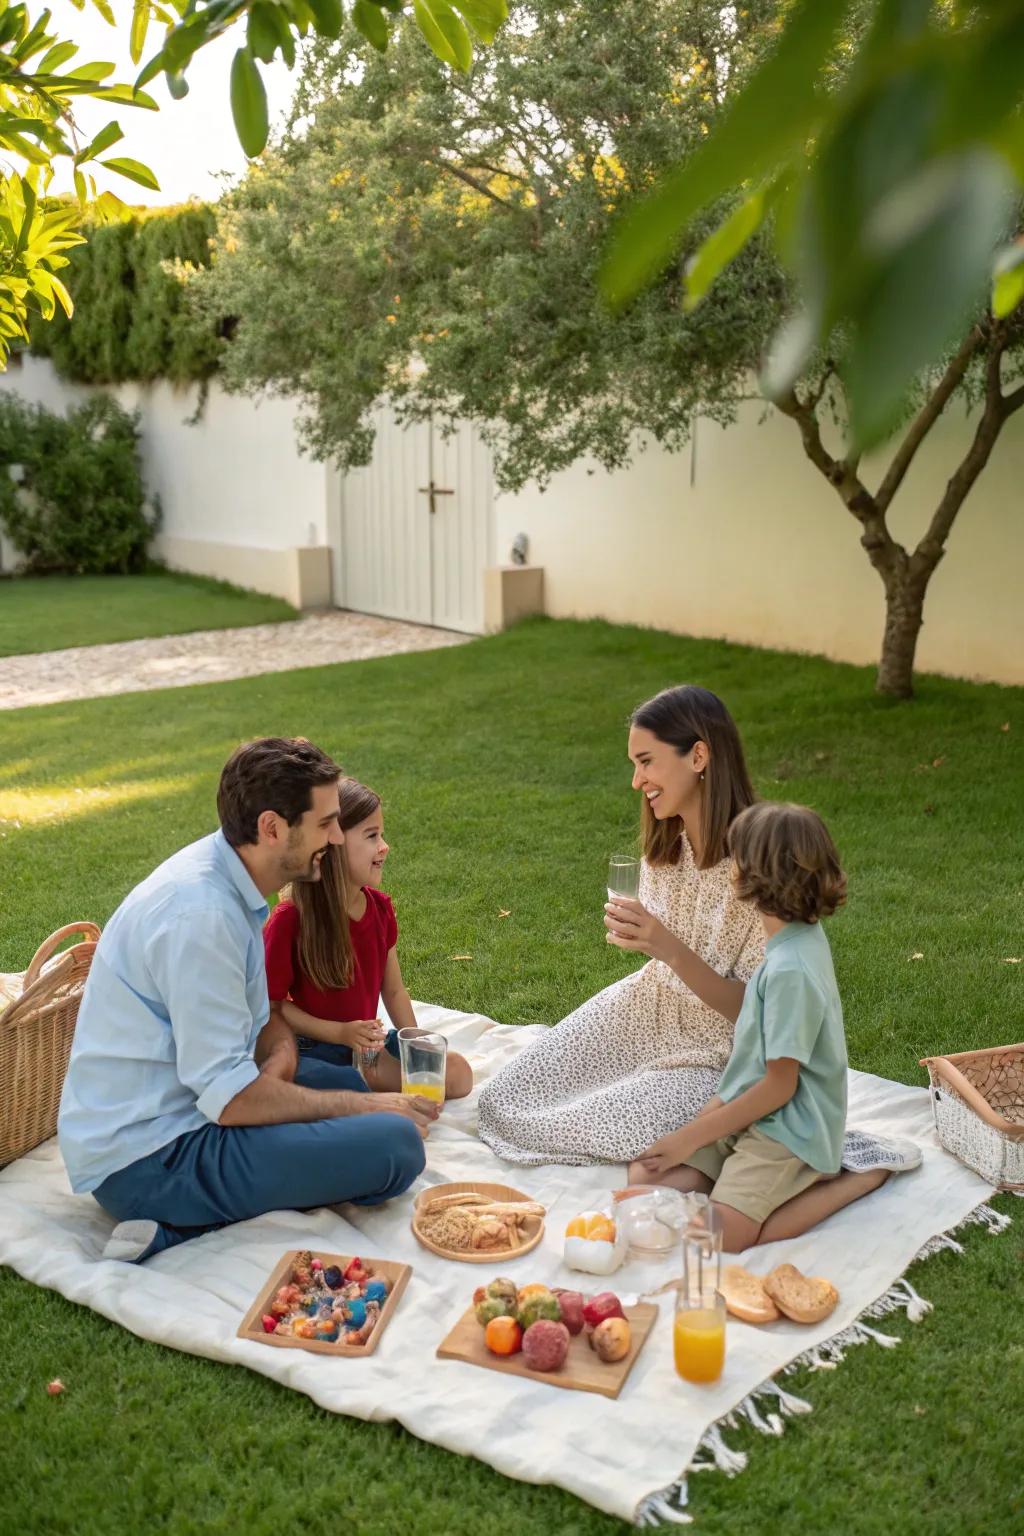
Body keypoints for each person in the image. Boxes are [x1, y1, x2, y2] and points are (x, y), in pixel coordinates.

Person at [58, 738, 437, 1264]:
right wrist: (365, 1105)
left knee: (353, 1084)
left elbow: (265, 1016)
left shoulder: (231, 881)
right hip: (150, 1155)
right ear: (272, 828)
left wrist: (281, 1057)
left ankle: (234, 1191)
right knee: (393, 1143)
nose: (334, 837)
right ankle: (173, 1225)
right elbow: (232, 1100)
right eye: (326, 823)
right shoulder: (201, 916)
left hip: (200, 1101)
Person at [477, 685, 766, 1165]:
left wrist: (667, 946)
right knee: (504, 1098)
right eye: (635, 764)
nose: (637, 781)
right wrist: (650, 943)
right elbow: (664, 953)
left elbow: (758, 1015)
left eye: (647, 762)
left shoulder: (757, 865)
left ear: (698, 755)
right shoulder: (666, 848)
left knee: (611, 1125)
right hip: (647, 1010)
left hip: (719, 1053)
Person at [628, 801, 910, 1250]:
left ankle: (857, 1177)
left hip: (790, 1126)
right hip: (747, 1110)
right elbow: (751, 1059)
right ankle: (755, 1181)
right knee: (645, 1176)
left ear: (754, 875)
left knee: (723, 1236)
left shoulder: (792, 970)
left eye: (735, 856)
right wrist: (710, 1118)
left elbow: (781, 1087)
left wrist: (692, 1136)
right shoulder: (787, 940)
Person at [263, 777, 472, 1098]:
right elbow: (272, 1007)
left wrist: (415, 1046)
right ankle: (357, 1092)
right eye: (372, 836)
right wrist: (341, 1032)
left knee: (457, 1073)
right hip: (310, 1047)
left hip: (364, 1048)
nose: (385, 846)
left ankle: (369, 1085)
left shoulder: (380, 909)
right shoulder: (291, 919)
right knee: (347, 1087)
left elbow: (394, 990)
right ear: (332, 844)